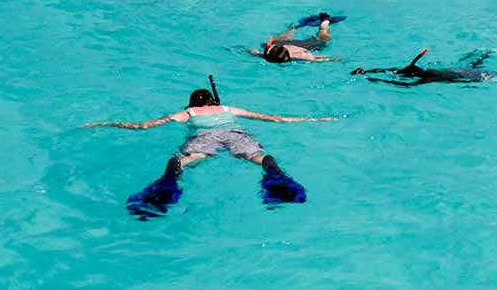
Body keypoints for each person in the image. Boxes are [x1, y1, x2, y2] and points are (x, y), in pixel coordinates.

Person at [83, 87, 335, 216]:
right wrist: (316, 120)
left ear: (193, 104)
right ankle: (276, 176)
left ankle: (165, 186)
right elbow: (275, 119)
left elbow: (143, 126)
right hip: (236, 134)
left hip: (204, 138)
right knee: (261, 158)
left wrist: (104, 123)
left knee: (182, 161)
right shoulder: (229, 109)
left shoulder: (187, 113)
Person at [351, 48, 497, 87]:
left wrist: (375, 78)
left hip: (481, 77)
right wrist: (367, 71)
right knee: (473, 62)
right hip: (465, 71)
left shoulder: (430, 78)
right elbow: (394, 70)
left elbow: (403, 85)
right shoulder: (427, 72)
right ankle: (487, 52)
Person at [251, 13, 337, 63]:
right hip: (278, 44)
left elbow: (319, 58)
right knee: (284, 37)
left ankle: (325, 23)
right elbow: (252, 51)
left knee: (324, 39)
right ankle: (293, 29)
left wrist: (334, 60)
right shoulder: (267, 55)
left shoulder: (300, 56)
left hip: (302, 46)